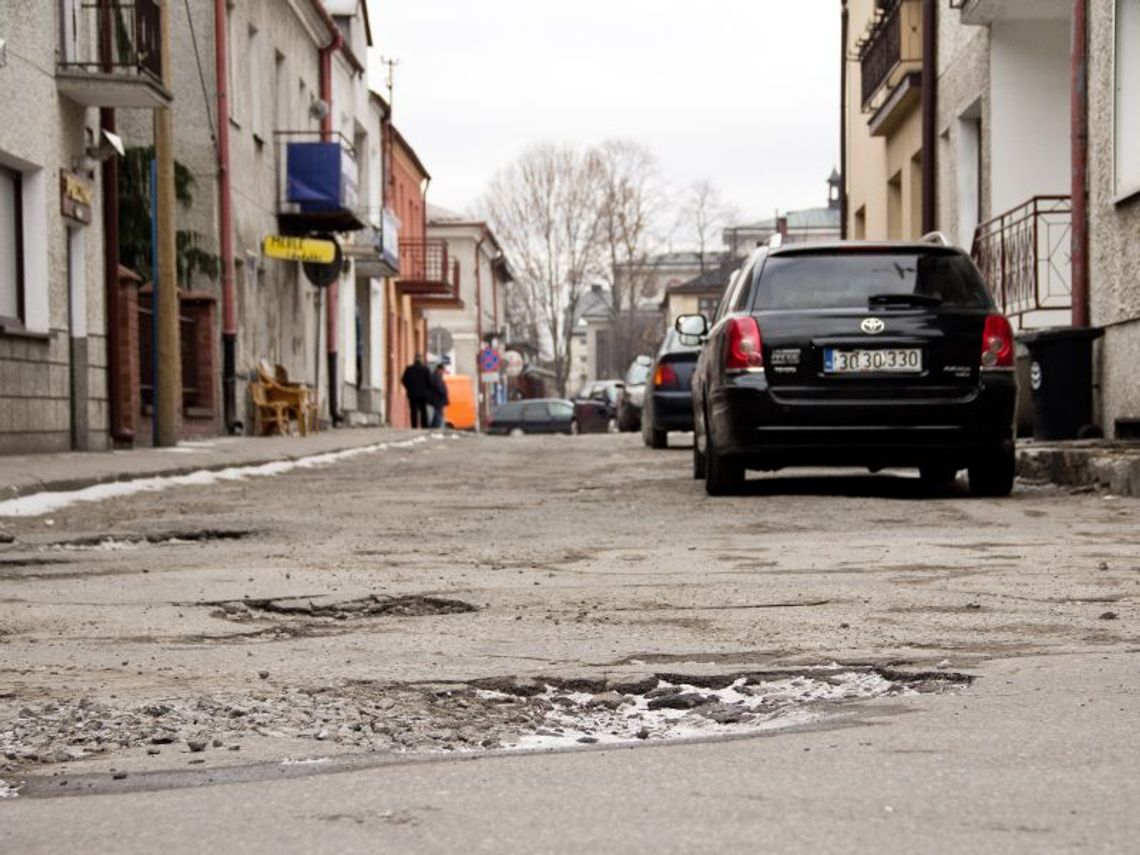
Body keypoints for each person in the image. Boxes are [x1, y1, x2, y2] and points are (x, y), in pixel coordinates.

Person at [401, 354, 432, 428]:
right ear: (421, 359)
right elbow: (430, 382)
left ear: (414, 359)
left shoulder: (409, 369)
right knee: (423, 410)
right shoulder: (425, 369)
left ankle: (414, 426)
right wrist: (427, 390)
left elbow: (403, 380)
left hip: (412, 394)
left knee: (413, 411)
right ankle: (424, 426)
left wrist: (409, 388)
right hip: (423, 394)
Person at [428, 363, 450, 429]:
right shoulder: (436, 377)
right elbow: (439, 388)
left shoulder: (436, 376)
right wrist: (444, 392)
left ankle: (433, 427)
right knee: (439, 414)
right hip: (438, 399)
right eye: (442, 370)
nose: (443, 372)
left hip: (438, 399)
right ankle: (435, 428)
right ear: (439, 370)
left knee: (437, 414)